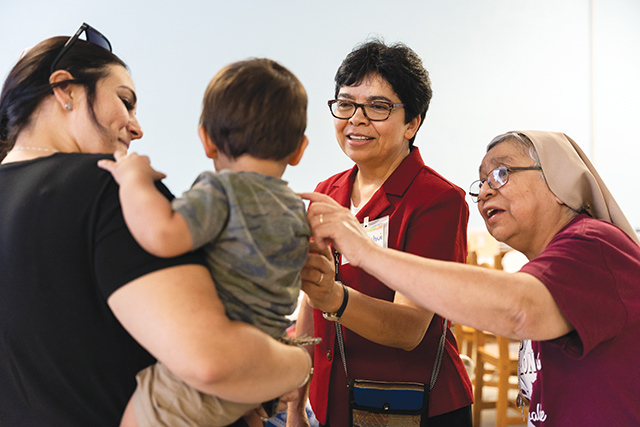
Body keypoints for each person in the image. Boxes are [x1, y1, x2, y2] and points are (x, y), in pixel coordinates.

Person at [0, 24, 311, 427]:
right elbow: (212, 361)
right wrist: (297, 363)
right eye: (125, 102)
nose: (136, 126)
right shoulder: (111, 190)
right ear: (65, 89)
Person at [303, 130, 640, 426]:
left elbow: (518, 310)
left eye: (501, 174)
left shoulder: (594, 245)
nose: (485, 193)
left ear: (558, 181)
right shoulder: (556, 258)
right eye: (482, 183)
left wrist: (367, 254)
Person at [98, 57, 314, 427]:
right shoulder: (297, 210)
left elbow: (162, 235)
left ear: (207, 141)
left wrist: (133, 179)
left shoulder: (221, 191)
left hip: (207, 375)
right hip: (259, 371)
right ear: (299, 149)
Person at [287, 40, 473, 427]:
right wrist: (296, 407)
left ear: (412, 123)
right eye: (346, 103)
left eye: (378, 106)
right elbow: (311, 299)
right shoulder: (327, 191)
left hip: (413, 408)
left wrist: (334, 298)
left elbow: (411, 328)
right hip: (333, 402)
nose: (356, 118)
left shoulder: (438, 200)